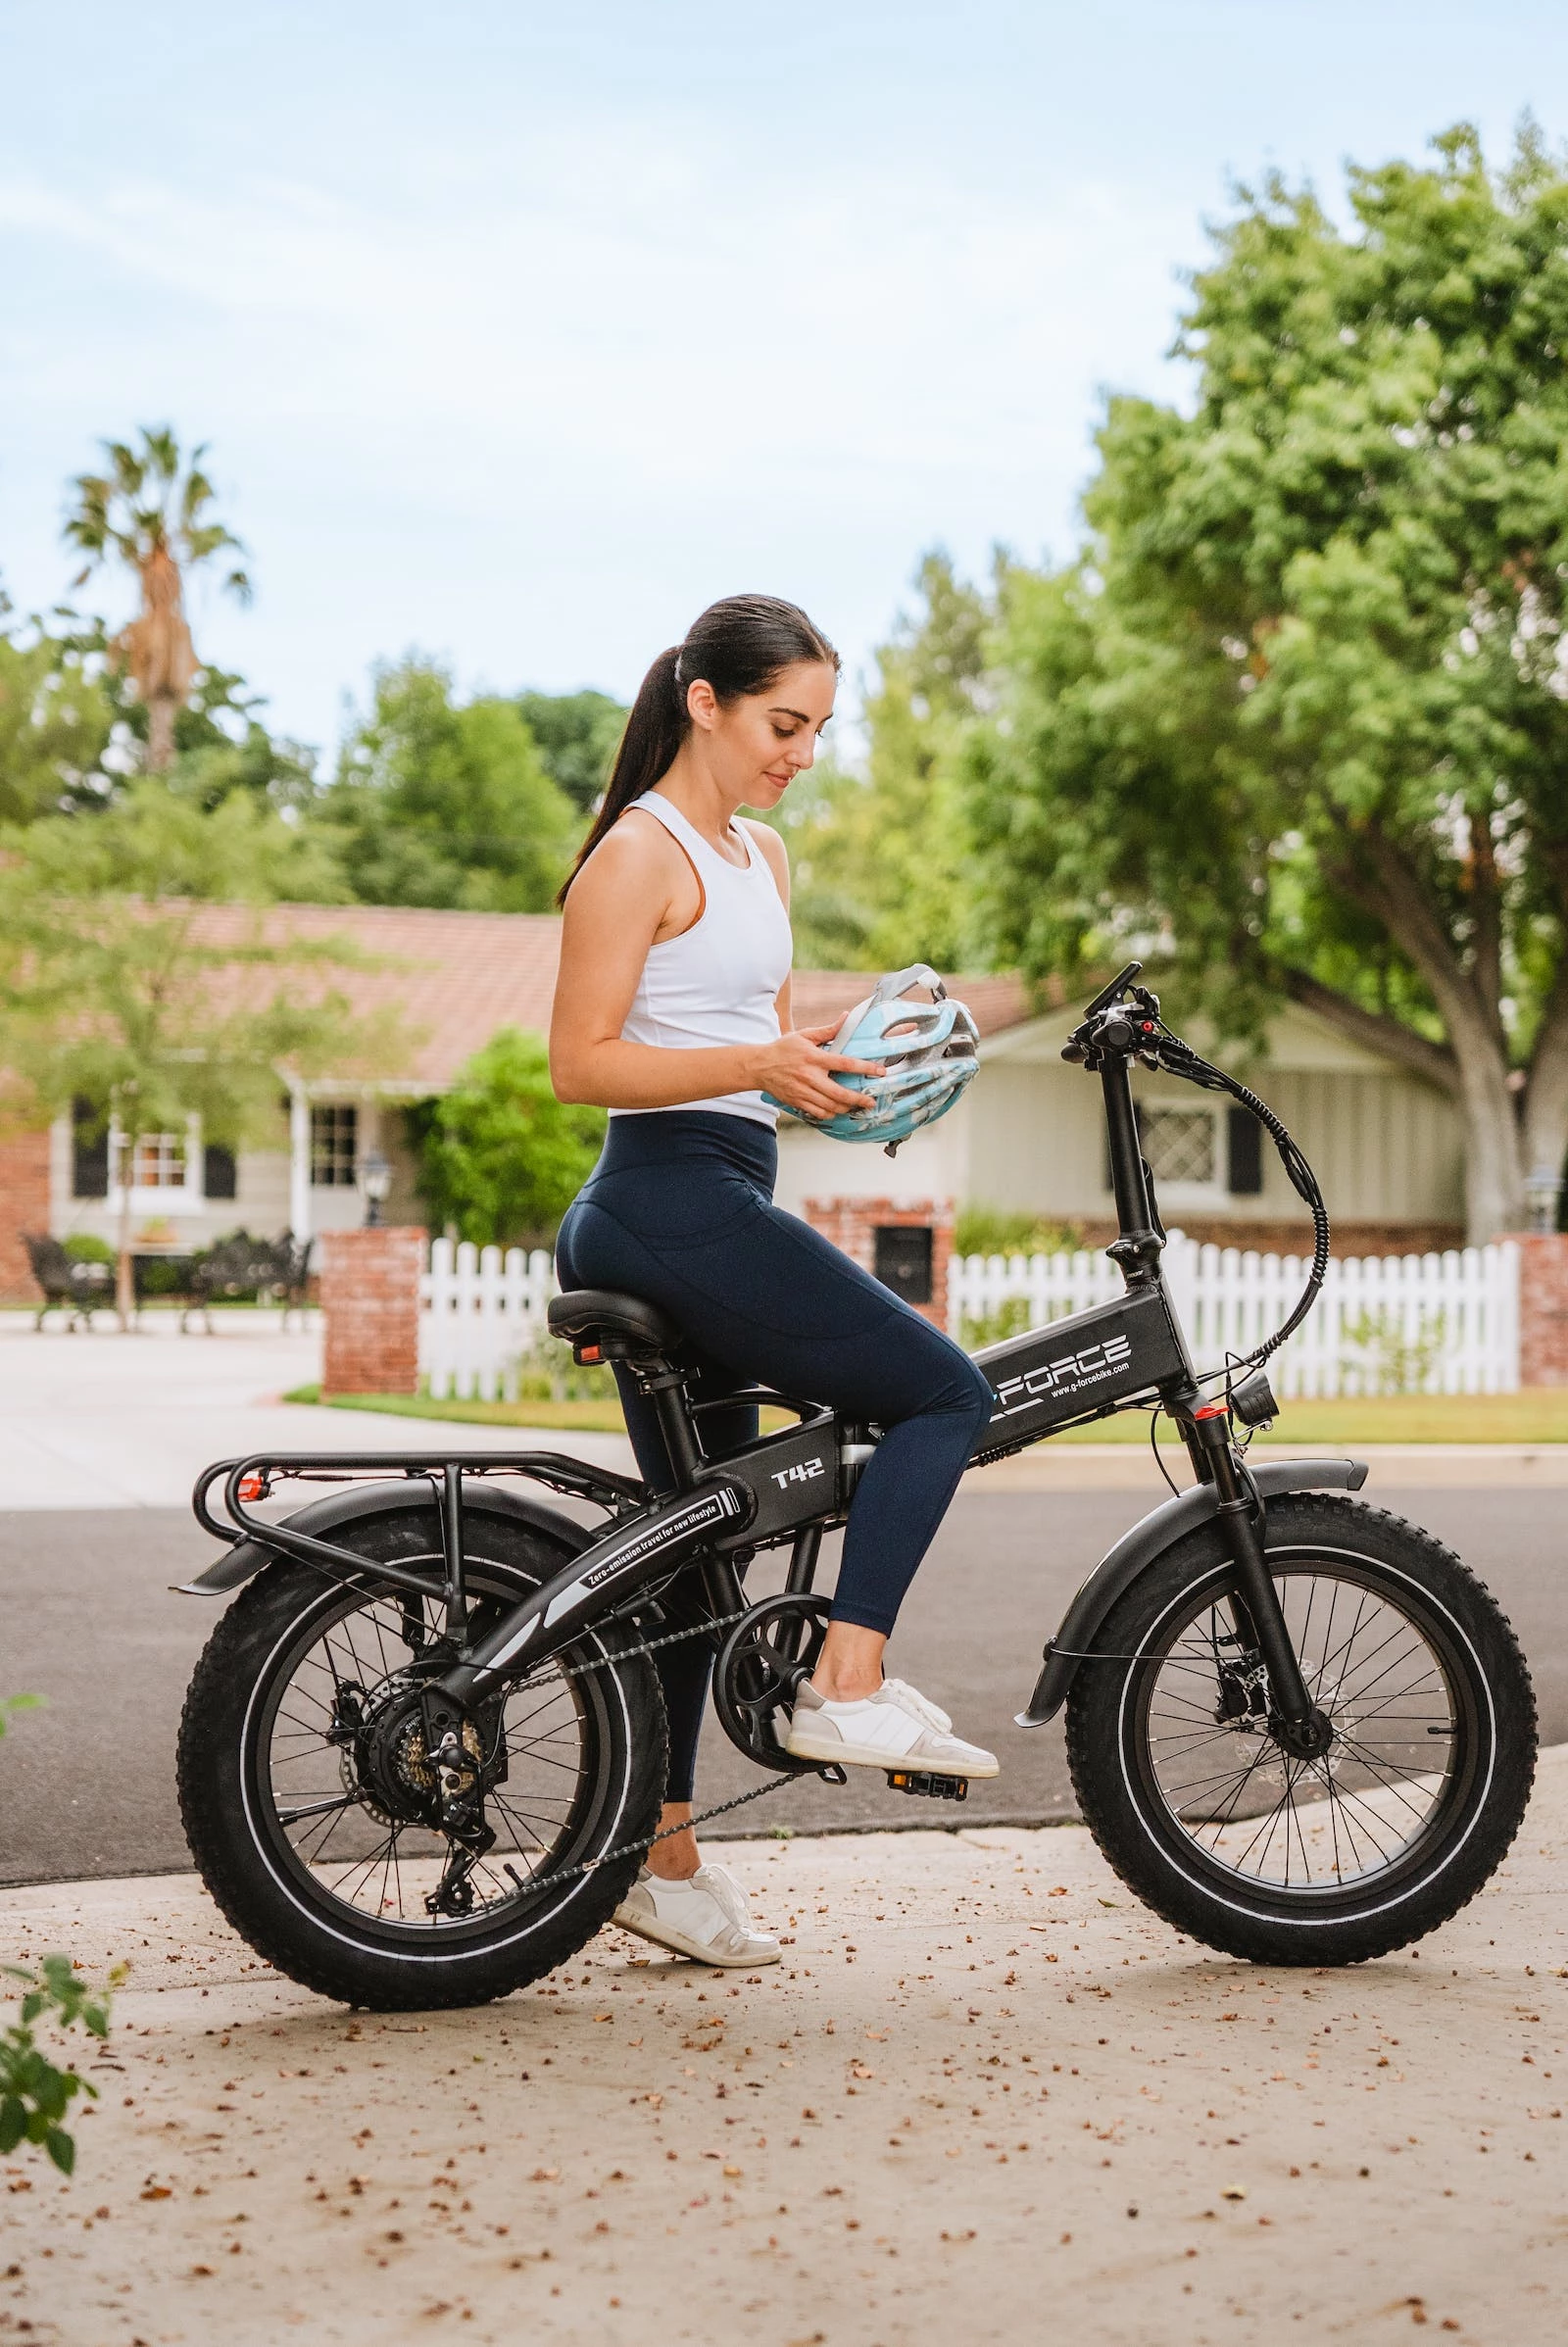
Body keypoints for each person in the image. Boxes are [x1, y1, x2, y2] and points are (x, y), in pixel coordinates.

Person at [550, 593, 996, 1968]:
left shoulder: (763, 854)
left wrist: (829, 1063)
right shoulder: (639, 852)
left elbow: (737, 1036)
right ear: (706, 700)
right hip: (659, 1198)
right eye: (783, 722)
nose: (802, 749)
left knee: (710, 1537)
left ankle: (663, 1857)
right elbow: (583, 1063)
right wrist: (756, 1064)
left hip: (722, 1186)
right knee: (942, 1392)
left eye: (818, 728)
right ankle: (846, 1681)